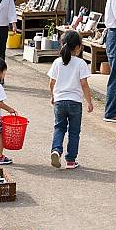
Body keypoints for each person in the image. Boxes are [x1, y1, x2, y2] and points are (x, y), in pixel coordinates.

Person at [48, 31, 93, 170]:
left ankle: (56, 150)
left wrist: (53, 96)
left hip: (60, 101)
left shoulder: (57, 62)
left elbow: (51, 82)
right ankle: (71, 160)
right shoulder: (81, 63)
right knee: (74, 132)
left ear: (62, 44)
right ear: (78, 47)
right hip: (75, 102)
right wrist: (89, 102)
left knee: (59, 127)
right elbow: (84, 84)